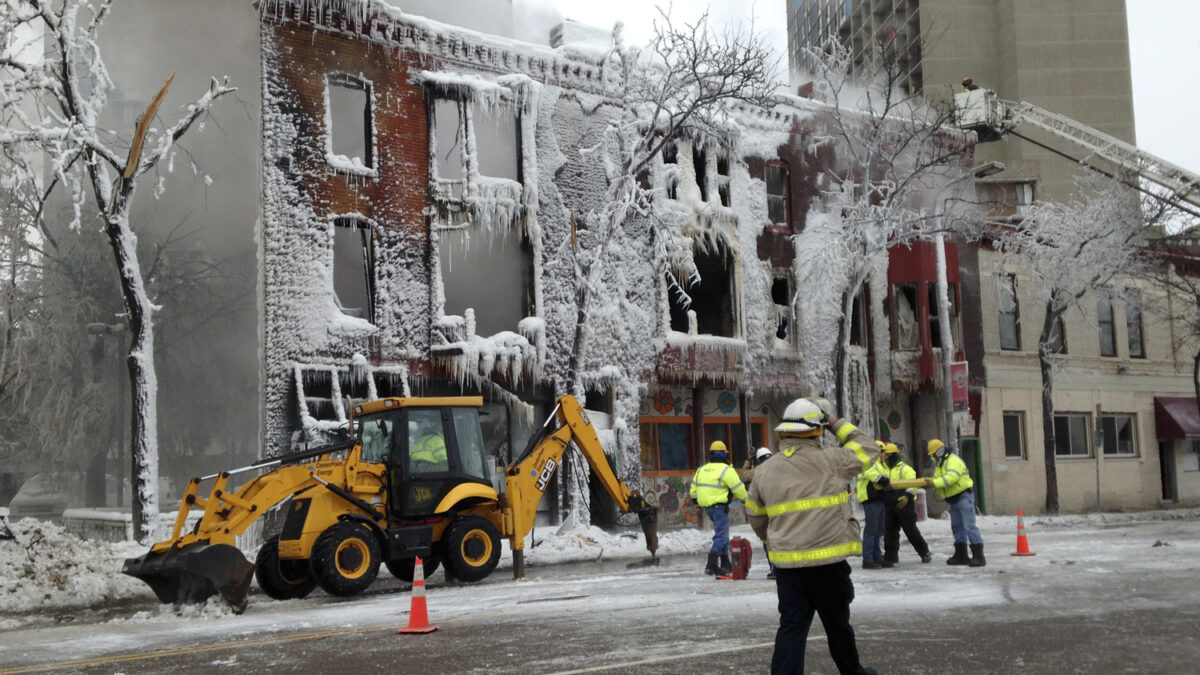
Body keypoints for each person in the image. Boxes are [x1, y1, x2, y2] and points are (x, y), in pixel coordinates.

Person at [745, 397, 878, 675]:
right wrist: (833, 422)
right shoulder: (832, 461)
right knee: (837, 625)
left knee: (792, 627)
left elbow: (756, 516)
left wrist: (775, 540)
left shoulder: (764, 470)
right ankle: (853, 673)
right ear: (817, 431)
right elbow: (868, 448)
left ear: (784, 432)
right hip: (828, 565)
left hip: (787, 567)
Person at [688, 440, 748, 576]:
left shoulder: (702, 469)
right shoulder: (727, 470)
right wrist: (748, 500)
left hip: (708, 507)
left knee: (723, 535)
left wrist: (697, 500)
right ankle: (711, 565)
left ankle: (725, 563)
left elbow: (693, 491)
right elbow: (738, 488)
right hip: (719, 507)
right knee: (721, 535)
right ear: (723, 454)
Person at [925, 439, 985, 567]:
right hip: (953, 498)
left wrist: (934, 483)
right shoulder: (940, 464)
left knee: (969, 526)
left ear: (939, 451)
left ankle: (979, 556)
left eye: (933, 454)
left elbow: (951, 478)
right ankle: (961, 554)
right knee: (957, 527)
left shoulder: (953, 461)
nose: (933, 457)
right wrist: (933, 483)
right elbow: (939, 479)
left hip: (963, 496)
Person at [880, 443, 932, 565]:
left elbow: (913, 485)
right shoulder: (884, 469)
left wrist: (907, 497)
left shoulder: (906, 469)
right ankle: (890, 557)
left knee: (910, 530)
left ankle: (924, 552)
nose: (885, 458)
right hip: (890, 503)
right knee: (890, 531)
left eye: (887, 455)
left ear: (893, 455)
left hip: (905, 504)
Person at [855, 442, 890, 570]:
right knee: (871, 530)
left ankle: (877, 557)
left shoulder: (881, 464)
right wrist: (883, 480)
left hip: (879, 499)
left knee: (878, 530)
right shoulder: (869, 462)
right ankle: (868, 559)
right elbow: (872, 475)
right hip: (871, 499)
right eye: (882, 451)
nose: (885, 454)